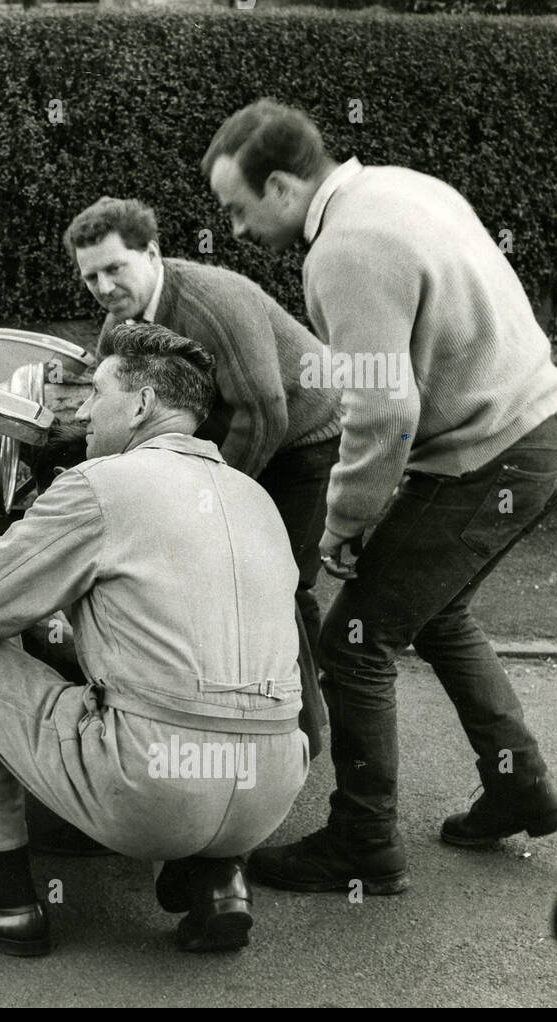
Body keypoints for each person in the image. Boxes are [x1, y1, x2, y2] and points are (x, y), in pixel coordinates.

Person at [202, 98, 557, 895]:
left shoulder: (345, 250)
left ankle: (362, 843)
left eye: (238, 207)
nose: (234, 229)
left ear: (286, 186)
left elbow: (382, 407)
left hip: (487, 455)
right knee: (436, 614)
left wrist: (344, 522)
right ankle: (519, 786)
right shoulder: (401, 186)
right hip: (536, 429)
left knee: (353, 640)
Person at [0, 323, 310, 956]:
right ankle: (219, 884)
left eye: (97, 393)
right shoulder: (256, 497)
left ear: (143, 405)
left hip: (153, 789)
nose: (85, 410)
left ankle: (6, 901)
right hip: (271, 790)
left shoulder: (98, 485)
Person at [64, 197, 341, 760]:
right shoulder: (121, 322)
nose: (103, 285)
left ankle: (307, 738)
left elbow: (264, 414)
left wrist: (209, 502)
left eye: (115, 268)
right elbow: (118, 407)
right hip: (240, 429)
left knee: (279, 583)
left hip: (307, 439)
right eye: (91, 275)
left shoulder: (214, 300)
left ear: (152, 253)